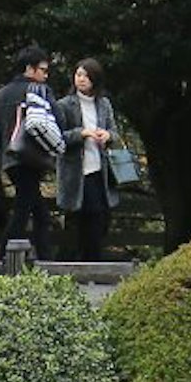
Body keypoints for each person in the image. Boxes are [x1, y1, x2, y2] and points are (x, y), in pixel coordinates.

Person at [0, 47, 58, 254]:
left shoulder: (0, 95)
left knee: (35, 210)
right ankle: (6, 258)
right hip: (35, 159)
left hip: (12, 160)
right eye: (42, 70)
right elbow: (57, 121)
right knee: (24, 212)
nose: (45, 75)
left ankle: (42, 259)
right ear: (29, 69)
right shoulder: (42, 92)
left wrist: (7, 147)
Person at [55, 59, 126, 261]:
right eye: (78, 75)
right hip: (75, 173)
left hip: (100, 171)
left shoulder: (103, 104)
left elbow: (115, 133)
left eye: (86, 75)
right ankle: (79, 265)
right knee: (78, 221)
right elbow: (58, 137)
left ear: (95, 79)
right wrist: (82, 133)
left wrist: (108, 136)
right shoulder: (64, 105)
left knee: (99, 219)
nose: (81, 79)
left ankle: (93, 264)